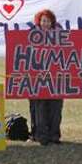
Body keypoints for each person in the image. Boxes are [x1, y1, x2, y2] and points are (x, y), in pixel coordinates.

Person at [29, 9, 63, 146]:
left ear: (52, 22)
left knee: (56, 108)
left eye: (48, 21)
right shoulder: (31, 35)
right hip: (37, 80)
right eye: (43, 21)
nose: (45, 23)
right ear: (39, 21)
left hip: (56, 79)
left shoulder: (61, 36)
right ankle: (41, 136)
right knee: (39, 107)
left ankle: (54, 135)